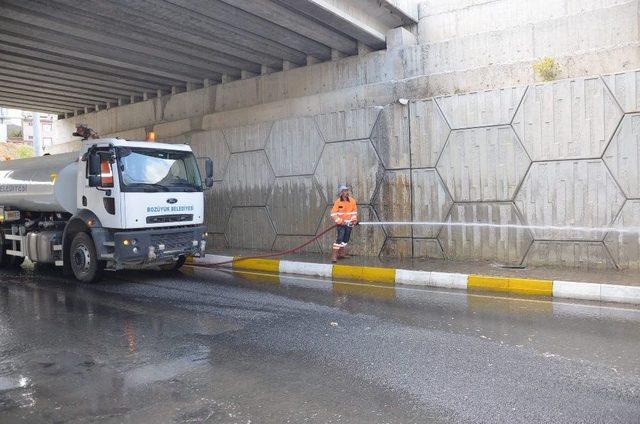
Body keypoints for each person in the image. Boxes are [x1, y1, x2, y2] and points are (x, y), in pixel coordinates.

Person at [330, 185, 358, 263]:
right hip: (341, 224)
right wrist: (340, 221)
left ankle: (341, 254)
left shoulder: (352, 201)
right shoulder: (338, 202)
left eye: (347, 191)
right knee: (340, 238)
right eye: (344, 191)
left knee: (346, 239)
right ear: (341, 193)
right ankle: (334, 256)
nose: (346, 192)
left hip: (349, 224)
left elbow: (354, 213)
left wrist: (353, 220)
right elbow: (333, 214)